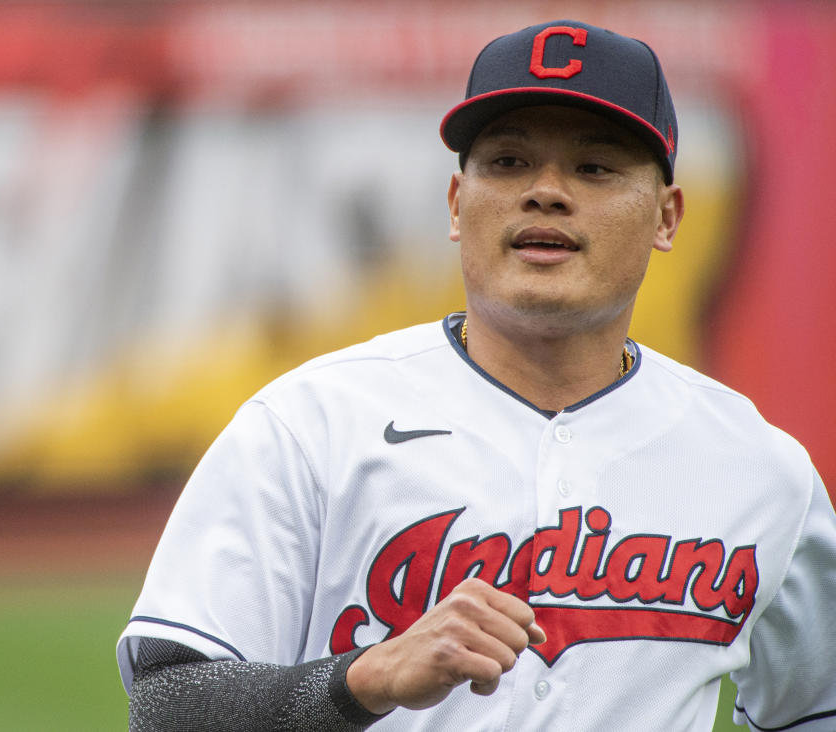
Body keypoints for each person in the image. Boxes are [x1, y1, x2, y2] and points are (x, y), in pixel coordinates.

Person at [117, 20, 836, 731]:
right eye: (508, 163)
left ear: (668, 216)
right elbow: (168, 703)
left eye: (594, 167)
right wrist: (363, 678)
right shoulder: (312, 424)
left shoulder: (760, 470)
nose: (546, 192)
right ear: (458, 205)